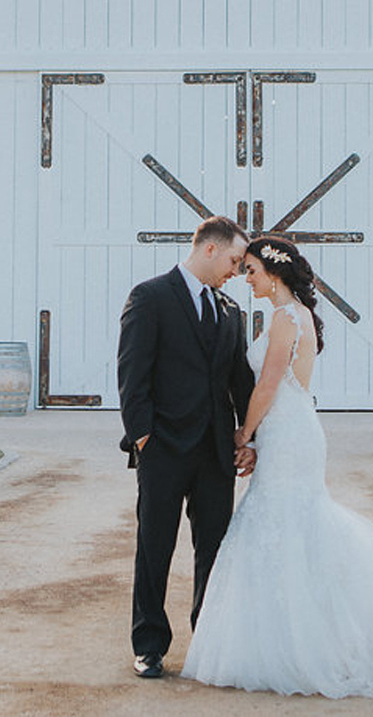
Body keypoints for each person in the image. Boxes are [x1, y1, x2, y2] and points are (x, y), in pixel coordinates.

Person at [182, 235, 373, 697]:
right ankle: (294, 639)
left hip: (287, 433)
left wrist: (242, 433)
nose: (245, 278)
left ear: (273, 273)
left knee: (284, 525)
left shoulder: (284, 318)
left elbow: (268, 386)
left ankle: (302, 648)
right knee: (294, 526)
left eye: (250, 270)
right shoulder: (297, 316)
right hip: (290, 432)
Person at [116, 215, 256, 680]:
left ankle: (207, 641)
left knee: (213, 549)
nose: (236, 271)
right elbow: (132, 376)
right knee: (154, 546)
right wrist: (143, 438)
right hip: (164, 449)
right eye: (235, 260)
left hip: (216, 451)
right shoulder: (150, 297)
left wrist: (249, 437)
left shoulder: (231, 311)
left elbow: (240, 381)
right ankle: (149, 645)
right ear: (210, 249)